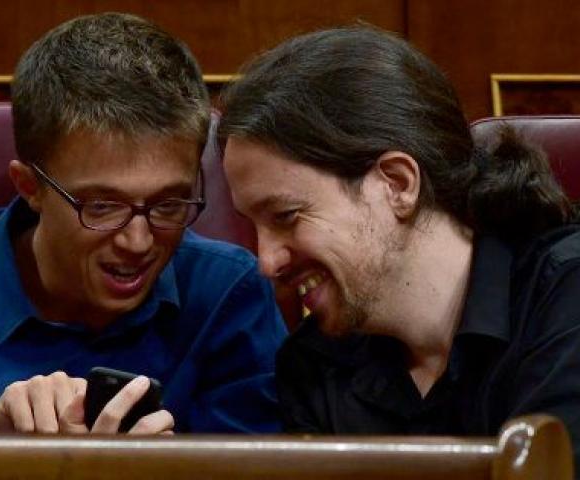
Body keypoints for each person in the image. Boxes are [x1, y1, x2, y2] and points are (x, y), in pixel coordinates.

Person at [0, 13, 286, 434]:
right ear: (30, 187)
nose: (138, 242)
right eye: (102, 207)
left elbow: (266, 462)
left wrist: (161, 466)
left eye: (168, 204)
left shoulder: (230, 293)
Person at [218, 24, 580, 464]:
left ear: (397, 184)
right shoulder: (313, 364)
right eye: (254, 225)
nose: (267, 262)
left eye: (286, 216)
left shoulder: (565, 297)